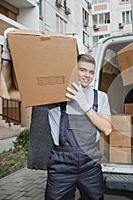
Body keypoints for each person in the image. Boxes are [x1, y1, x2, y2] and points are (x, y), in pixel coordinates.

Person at [45, 54, 112, 200]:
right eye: (82, 70)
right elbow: (8, 93)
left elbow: (107, 128)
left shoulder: (100, 97)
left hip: (90, 166)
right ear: (74, 70)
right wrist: (6, 58)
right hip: (61, 167)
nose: (87, 75)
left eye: (91, 72)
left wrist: (85, 105)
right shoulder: (56, 96)